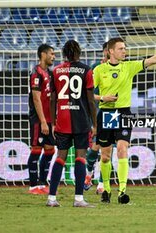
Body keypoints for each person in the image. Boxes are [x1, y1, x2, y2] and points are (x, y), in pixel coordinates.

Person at [93, 37, 156, 204]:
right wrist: (102, 97)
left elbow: (152, 60)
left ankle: (122, 191)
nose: (124, 51)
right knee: (106, 156)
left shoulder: (129, 67)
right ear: (111, 51)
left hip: (124, 112)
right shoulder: (99, 70)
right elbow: (87, 94)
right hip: (106, 112)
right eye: (121, 49)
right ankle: (106, 190)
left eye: (125, 48)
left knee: (122, 149)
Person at [46, 39, 98, 207]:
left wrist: (53, 121)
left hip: (62, 120)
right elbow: (90, 101)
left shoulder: (56, 70)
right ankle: (78, 199)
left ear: (64, 53)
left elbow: (52, 97)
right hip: (81, 120)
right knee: (80, 158)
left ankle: (51, 198)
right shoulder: (86, 70)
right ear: (78, 52)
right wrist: (95, 124)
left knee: (60, 157)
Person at [84, 41, 118, 194]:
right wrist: (103, 98)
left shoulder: (120, 68)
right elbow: (89, 95)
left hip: (112, 113)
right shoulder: (95, 70)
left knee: (107, 150)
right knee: (94, 148)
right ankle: (89, 174)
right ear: (106, 51)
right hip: (96, 113)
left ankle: (102, 183)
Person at [27, 44, 56, 195]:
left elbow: (52, 100)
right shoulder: (36, 72)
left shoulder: (50, 73)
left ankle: (43, 182)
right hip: (38, 119)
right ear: (43, 54)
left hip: (49, 119)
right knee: (36, 150)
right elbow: (36, 99)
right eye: (51, 53)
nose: (54, 56)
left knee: (50, 150)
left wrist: (53, 122)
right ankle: (33, 186)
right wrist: (43, 121)